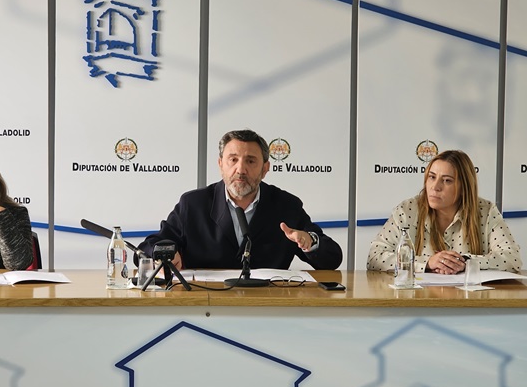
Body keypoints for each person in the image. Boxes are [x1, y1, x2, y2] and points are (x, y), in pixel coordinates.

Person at [137, 129, 343, 270]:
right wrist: (164, 254)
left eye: (250, 161)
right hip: (204, 305)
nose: (240, 169)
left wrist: (310, 241)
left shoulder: (286, 206)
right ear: (221, 165)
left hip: (268, 306)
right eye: (233, 160)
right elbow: (150, 246)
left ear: (265, 169)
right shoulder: (193, 204)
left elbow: (332, 258)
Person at [367, 150, 522, 274]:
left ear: (464, 187)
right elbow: (375, 257)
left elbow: (512, 258)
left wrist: (464, 262)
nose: (435, 187)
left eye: (447, 180)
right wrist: (427, 263)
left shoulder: (486, 211)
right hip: (419, 299)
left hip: (470, 300)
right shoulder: (407, 210)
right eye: (432, 177)